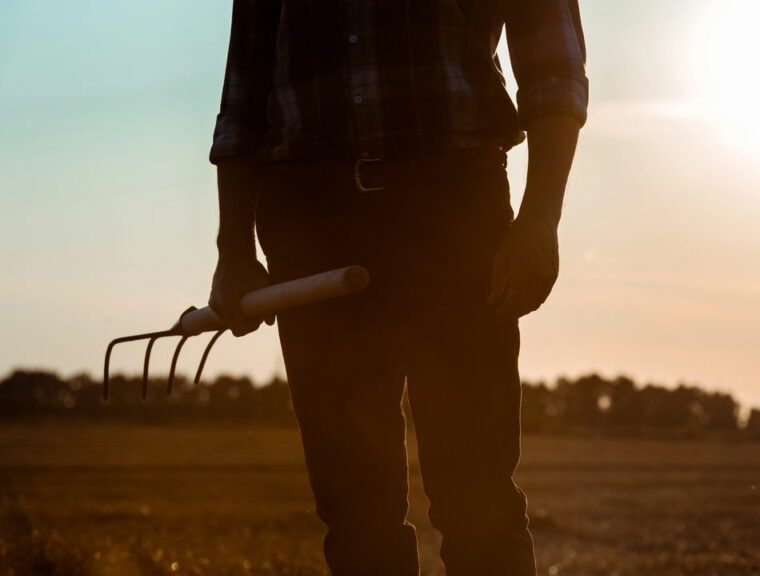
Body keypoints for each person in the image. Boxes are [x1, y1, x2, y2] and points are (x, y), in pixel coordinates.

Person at [206, 1, 586, 574]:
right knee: (354, 506)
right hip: (310, 218)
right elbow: (243, 94)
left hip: (453, 208)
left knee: (476, 491)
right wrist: (232, 250)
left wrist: (540, 219)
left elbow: (552, 63)